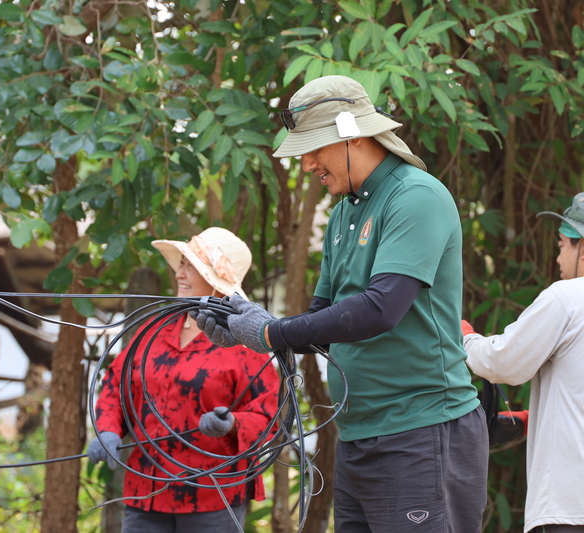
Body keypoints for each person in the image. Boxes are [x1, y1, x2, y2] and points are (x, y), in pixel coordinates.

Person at [194, 75, 488, 532]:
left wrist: (272, 332)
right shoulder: (344, 213)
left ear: (352, 134)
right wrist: (243, 328)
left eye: (315, 148)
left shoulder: (416, 197)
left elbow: (380, 309)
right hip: (359, 435)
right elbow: (321, 323)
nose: (307, 163)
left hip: (422, 430)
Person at [462, 191, 584, 533]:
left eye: (560, 245)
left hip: (576, 510)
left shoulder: (569, 297)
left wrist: (465, 338)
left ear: (583, 247)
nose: (557, 258)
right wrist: (537, 419)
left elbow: (501, 363)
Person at [86, 227, 280, 533]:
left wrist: (231, 425)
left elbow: (269, 417)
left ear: (216, 282)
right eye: (181, 264)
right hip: (144, 494)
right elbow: (114, 386)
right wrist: (108, 429)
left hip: (213, 497)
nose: (180, 274)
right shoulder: (152, 332)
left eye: (191, 266)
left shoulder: (246, 345)